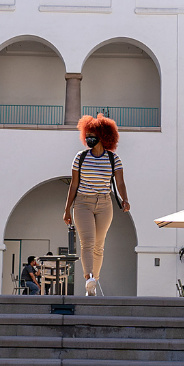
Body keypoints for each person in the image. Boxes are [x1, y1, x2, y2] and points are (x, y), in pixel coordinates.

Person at [63, 114, 130, 297]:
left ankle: (94, 282)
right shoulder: (80, 157)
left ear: (104, 136)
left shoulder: (113, 159)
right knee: (87, 243)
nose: (89, 138)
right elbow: (74, 184)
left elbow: (120, 182)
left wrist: (125, 199)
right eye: (88, 134)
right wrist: (67, 208)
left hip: (104, 203)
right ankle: (88, 277)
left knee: (99, 245)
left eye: (93, 134)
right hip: (83, 202)